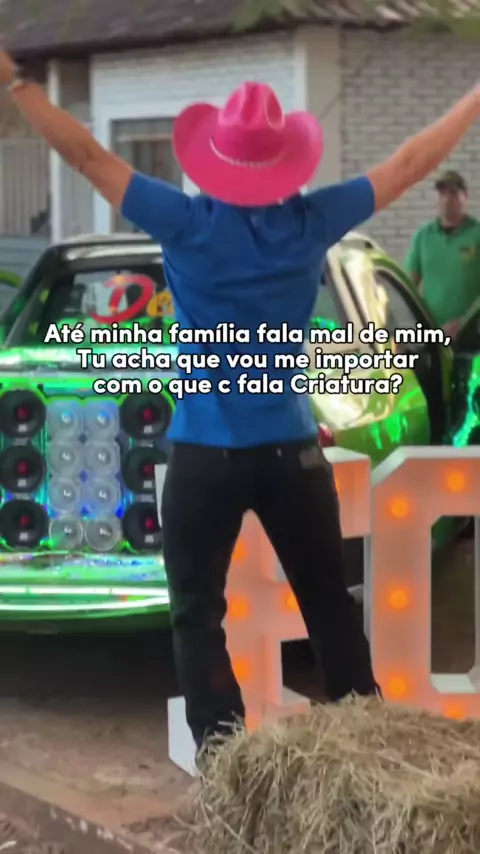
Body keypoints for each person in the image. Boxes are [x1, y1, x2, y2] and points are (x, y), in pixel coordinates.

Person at [2, 47, 480, 760]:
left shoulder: (183, 220)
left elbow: (87, 157)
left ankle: (223, 759)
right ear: (286, 163)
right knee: (328, 606)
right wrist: (474, 97)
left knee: (197, 615)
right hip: (291, 455)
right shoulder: (312, 221)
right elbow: (412, 163)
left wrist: (18, 85)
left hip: (203, 458)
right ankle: (367, 753)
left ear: (213, 161)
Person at [405, 170, 480, 339]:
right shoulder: (423, 236)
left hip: (472, 334)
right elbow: (409, 284)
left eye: (453, 193)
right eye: (442, 194)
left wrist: (463, 322)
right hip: (431, 333)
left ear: (465, 197)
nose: (446, 200)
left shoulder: (476, 234)